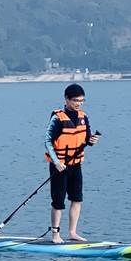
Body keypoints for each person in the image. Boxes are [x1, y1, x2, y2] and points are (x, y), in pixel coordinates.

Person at [44, 83, 100, 244]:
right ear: (67, 99)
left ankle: (72, 232)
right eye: (75, 100)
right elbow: (47, 141)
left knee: (77, 199)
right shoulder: (57, 118)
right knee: (58, 201)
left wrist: (92, 141)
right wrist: (56, 162)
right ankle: (55, 235)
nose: (78, 103)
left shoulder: (83, 117)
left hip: (76, 165)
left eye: (82, 100)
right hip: (60, 166)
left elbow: (86, 139)